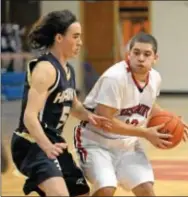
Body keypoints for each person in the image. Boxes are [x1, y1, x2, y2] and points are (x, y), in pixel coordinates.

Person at [74, 32, 188, 196]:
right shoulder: (115, 79)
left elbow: (147, 103)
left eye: (146, 54)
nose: (141, 58)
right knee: (106, 189)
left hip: (127, 145)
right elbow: (104, 121)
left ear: (155, 58)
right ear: (128, 54)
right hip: (96, 142)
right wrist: (144, 133)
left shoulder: (155, 78)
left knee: (146, 190)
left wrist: (172, 120)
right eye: (136, 53)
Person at [11, 9, 112, 197]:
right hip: (32, 142)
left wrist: (91, 117)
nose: (80, 42)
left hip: (54, 141)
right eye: (75, 37)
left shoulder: (68, 70)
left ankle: (40, 180)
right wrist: (47, 147)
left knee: (81, 192)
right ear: (59, 38)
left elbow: (73, 105)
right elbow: (29, 117)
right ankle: (39, 178)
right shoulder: (45, 69)